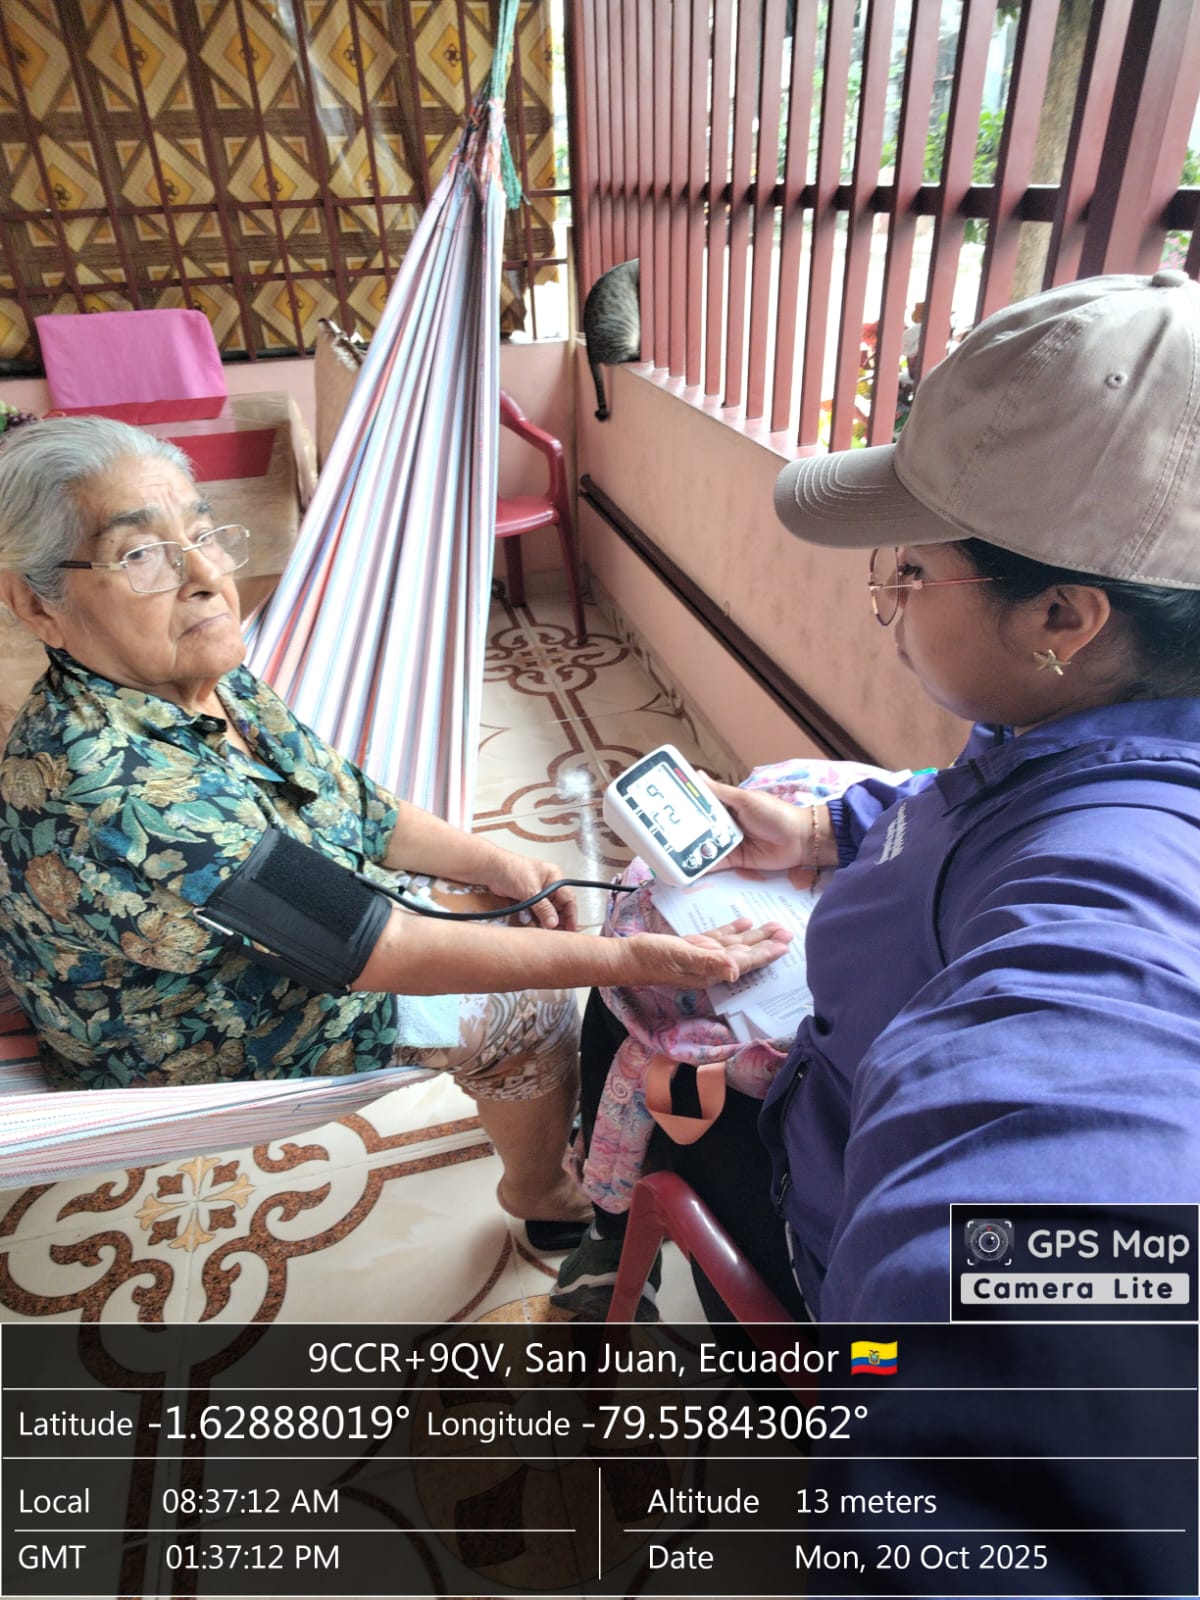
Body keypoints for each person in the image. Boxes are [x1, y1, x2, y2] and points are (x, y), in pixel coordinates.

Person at [554, 269, 1200, 1320]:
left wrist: (892, 1385)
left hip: (824, 1209)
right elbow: (973, 801)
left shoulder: (1112, 906)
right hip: (838, 1072)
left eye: (912, 569)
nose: (889, 595)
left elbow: (1057, 1305)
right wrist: (826, 828)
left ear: (1062, 618)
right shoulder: (1079, 725)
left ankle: (611, 1238)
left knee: (629, 1007)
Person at [0, 416, 792, 1245]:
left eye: (201, 534)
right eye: (140, 555)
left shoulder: (200, 676)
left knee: (500, 911)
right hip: (181, 1024)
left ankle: (529, 1098)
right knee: (527, 1007)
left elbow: (355, 804)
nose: (204, 576)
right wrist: (630, 961)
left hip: (262, 926)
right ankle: (542, 1194)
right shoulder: (117, 788)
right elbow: (385, 952)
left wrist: (496, 861)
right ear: (36, 604)